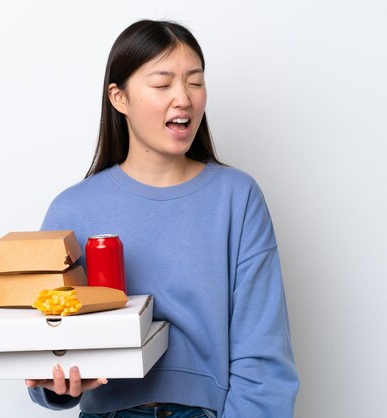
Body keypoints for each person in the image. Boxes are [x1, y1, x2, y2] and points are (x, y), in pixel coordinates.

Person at [25, 19, 299, 417]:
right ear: (119, 98)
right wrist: (57, 386)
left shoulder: (236, 198)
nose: (184, 99)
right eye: (162, 83)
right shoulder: (71, 210)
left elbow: (264, 355)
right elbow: (44, 345)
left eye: (194, 81)